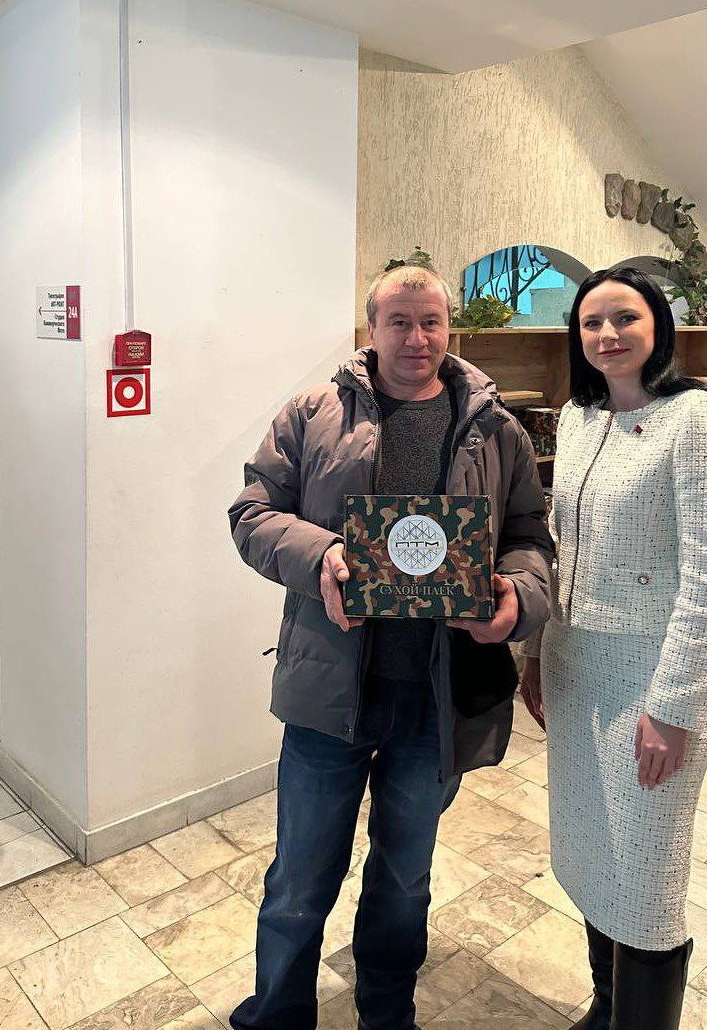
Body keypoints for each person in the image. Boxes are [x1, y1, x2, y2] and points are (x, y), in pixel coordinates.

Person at [227, 264, 553, 1030]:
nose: (416, 337)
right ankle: (276, 1014)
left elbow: (528, 537)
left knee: (404, 880)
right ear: (370, 328)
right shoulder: (312, 413)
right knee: (299, 880)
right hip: (329, 692)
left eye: (430, 321)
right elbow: (251, 512)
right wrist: (320, 556)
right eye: (399, 321)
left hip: (435, 700)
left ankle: (387, 1012)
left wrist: (517, 597)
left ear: (448, 328)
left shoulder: (494, 429)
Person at [521, 266, 707, 1030]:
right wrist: (533, 653)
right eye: (590, 322)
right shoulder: (576, 418)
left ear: (657, 325)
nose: (607, 334)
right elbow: (557, 547)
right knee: (594, 857)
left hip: (649, 681)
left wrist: (674, 707)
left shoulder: (699, 417)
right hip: (574, 668)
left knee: (647, 880)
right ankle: (606, 1008)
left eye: (624, 317)